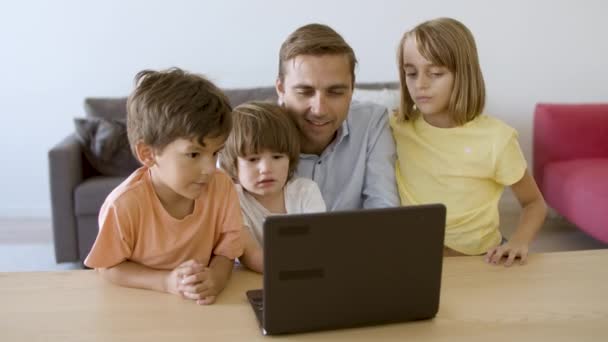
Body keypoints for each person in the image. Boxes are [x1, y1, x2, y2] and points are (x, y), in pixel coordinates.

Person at [390, 18, 547, 265]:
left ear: (463, 75)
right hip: (415, 262)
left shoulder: (497, 138)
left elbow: (534, 203)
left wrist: (519, 241)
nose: (420, 84)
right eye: (411, 73)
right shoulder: (396, 127)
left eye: (435, 73)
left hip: (479, 261)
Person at [84, 68, 243, 304]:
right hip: (139, 306)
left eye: (215, 153)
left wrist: (216, 280)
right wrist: (166, 282)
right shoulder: (123, 205)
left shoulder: (222, 187)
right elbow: (108, 268)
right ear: (148, 154)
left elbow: (227, 251)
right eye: (193, 154)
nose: (210, 168)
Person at [275, 23, 400, 211]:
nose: (319, 110)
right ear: (281, 89)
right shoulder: (251, 131)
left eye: (335, 92)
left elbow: (384, 209)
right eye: (305, 91)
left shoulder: (372, 122)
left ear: (352, 88)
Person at [219, 101, 326, 273]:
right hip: (254, 277)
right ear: (233, 165)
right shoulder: (233, 197)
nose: (266, 169)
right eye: (253, 159)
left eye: (277, 157)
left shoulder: (305, 191)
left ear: (290, 159)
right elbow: (250, 253)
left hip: (306, 275)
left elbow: (318, 244)